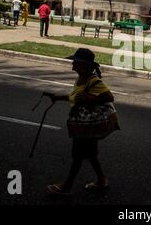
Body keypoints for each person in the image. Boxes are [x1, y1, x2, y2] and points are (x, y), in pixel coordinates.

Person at [47, 48, 116, 195]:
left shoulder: (93, 81)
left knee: (78, 155)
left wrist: (91, 98)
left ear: (83, 65)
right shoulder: (80, 79)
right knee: (90, 154)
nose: (72, 64)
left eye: (75, 62)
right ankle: (102, 180)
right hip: (84, 124)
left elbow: (109, 97)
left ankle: (67, 186)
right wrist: (58, 97)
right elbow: (76, 97)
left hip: (89, 125)